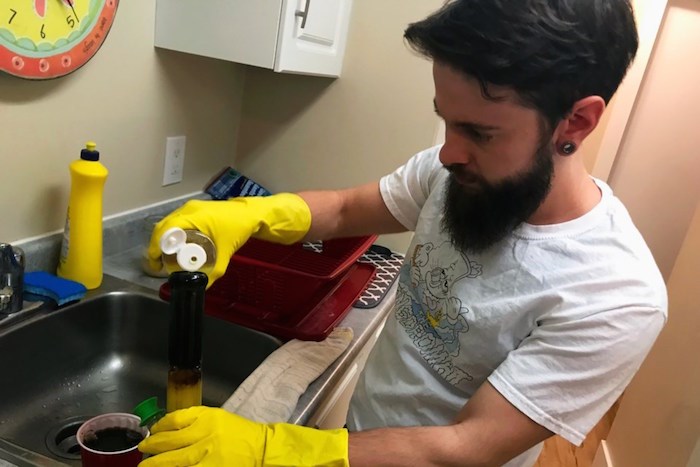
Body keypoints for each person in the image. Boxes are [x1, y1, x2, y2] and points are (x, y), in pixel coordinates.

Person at [138, 0, 668, 465]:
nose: (448, 153)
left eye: (480, 132)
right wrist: (248, 216)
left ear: (576, 122)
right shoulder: (452, 174)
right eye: (447, 121)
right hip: (356, 447)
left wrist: (273, 450)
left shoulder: (615, 297)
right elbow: (346, 210)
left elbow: (467, 447)